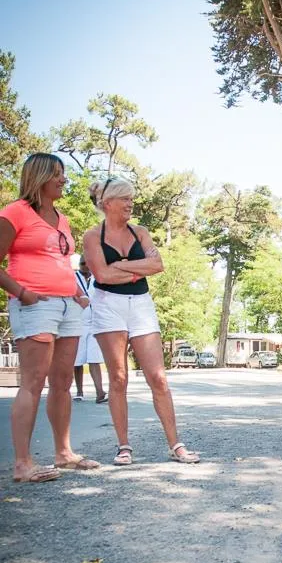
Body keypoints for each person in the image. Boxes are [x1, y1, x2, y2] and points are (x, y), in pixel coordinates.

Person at [83, 176, 199, 465]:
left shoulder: (141, 232)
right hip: (108, 305)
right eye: (125, 199)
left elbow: (157, 264)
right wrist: (137, 269)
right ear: (107, 203)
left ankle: (176, 445)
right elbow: (103, 276)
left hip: (141, 304)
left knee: (158, 377)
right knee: (119, 378)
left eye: (132, 198)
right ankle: (124, 446)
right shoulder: (91, 236)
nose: (130, 203)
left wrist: (121, 265)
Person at [0, 153, 100, 482]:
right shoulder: (15, 213)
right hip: (35, 305)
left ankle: (63, 453)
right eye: (57, 174)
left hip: (68, 305)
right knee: (33, 382)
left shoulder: (63, 218)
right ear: (40, 176)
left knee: (63, 382)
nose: (63, 180)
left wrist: (76, 292)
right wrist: (23, 292)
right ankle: (23, 464)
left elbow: (62, 261)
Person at [73, 257, 107, 403]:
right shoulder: (72, 277)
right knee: (78, 359)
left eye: (88, 263)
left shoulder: (98, 277)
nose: (86, 266)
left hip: (95, 322)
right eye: (83, 263)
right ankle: (79, 391)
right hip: (79, 321)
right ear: (79, 265)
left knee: (94, 358)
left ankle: (100, 392)